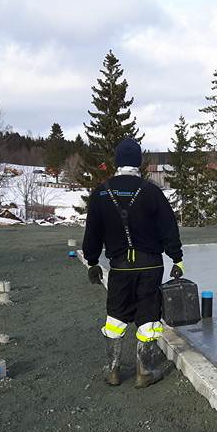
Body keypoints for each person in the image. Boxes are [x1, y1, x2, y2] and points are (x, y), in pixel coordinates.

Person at [82, 138, 184, 388]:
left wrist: (93, 261)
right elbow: (168, 228)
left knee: (115, 319)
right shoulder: (151, 192)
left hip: (119, 267)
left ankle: (113, 371)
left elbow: (92, 232)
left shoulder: (102, 192)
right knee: (148, 319)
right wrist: (177, 258)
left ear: (117, 162)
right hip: (150, 265)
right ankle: (144, 372)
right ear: (139, 162)